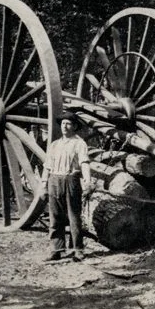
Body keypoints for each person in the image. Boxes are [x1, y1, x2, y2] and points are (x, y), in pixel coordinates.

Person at [41, 111, 94, 262]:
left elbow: (84, 163)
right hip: (54, 180)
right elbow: (47, 166)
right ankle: (56, 249)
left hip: (71, 180)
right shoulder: (54, 145)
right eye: (63, 123)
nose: (65, 126)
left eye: (68, 123)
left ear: (75, 126)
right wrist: (44, 184)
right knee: (55, 216)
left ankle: (77, 249)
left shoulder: (79, 143)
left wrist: (87, 182)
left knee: (73, 216)